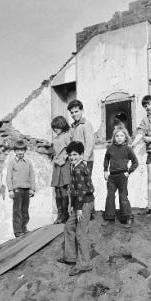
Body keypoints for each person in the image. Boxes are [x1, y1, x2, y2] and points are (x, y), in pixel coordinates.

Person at [59, 141, 94, 276]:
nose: (72, 157)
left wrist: (78, 209)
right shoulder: (75, 167)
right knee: (69, 227)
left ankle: (85, 264)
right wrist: (72, 205)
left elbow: (82, 191)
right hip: (79, 202)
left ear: (81, 155)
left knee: (81, 233)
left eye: (75, 154)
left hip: (84, 203)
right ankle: (71, 257)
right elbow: (74, 189)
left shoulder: (79, 169)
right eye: (70, 155)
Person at [103, 128, 139, 226]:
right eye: (117, 136)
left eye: (121, 136)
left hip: (122, 176)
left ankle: (128, 217)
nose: (119, 138)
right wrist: (105, 170)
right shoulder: (110, 148)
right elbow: (106, 159)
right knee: (110, 196)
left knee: (123, 196)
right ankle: (109, 217)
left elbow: (135, 162)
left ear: (125, 137)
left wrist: (129, 171)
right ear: (114, 138)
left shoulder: (128, 149)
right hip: (112, 176)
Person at [67, 100, 95, 220]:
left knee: (86, 184)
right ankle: (79, 209)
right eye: (72, 112)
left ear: (82, 111)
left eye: (76, 111)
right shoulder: (73, 127)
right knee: (77, 184)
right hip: (76, 160)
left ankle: (90, 211)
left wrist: (84, 159)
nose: (74, 114)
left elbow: (90, 143)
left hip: (85, 160)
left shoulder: (86, 125)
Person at [6, 140, 34, 236]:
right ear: (15, 151)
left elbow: (32, 176)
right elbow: (8, 176)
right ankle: (17, 231)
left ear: (25, 151)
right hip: (17, 190)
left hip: (26, 189)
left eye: (22, 150)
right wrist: (10, 190)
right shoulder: (12, 162)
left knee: (25, 210)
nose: (20, 152)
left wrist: (32, 188)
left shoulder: (28, 162)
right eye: (18, 150)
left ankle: (24, 228)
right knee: (17, 210)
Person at [50, 116, 71, 224]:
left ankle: (65, 214)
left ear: (62, 125)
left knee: (63, 189)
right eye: (54, 127)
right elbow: (54, 151)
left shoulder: (67, 136)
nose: (55, 129)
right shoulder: (55, 139)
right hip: (57, 165)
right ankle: (60, 214)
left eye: (57, 127)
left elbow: (70, 149)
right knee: (57, 189)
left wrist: (64, 157)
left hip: (64, 165)